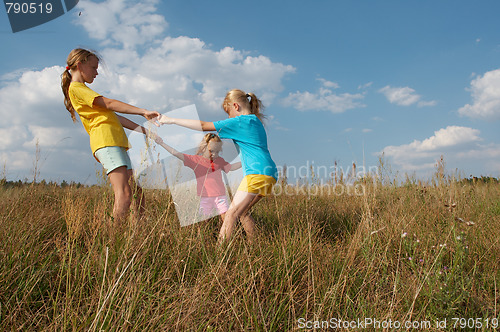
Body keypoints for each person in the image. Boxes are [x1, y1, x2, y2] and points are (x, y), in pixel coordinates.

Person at [158, 89, 277, 243]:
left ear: (236, 106)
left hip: (256, 173)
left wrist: (170, 120)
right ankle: (254, 246)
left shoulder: (240, 121)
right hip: (270, 173)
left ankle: (220, 254)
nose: (228, 118)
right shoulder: (255, 121)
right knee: (243, 212)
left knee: (231, 214)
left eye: (228, 112)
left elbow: (203, 125)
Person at [61, 48, 161, 229]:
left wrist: (144, 131)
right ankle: (111, 242)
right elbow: (110, 103)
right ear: (79, 65)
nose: (96, 72)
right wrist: (143, 111)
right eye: (93, 67)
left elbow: (115, 117)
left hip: (115, 142)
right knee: (124, 194)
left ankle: (136, 238)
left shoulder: (83, 90)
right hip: (106, 142)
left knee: (137, 194)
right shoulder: (77, 88)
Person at [154, 133, 241, 222]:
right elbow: (177, 154)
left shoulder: (219, 161)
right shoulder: (195, 160)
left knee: (226, 218)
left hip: (221, 196)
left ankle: (225, 235)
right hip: (205, 197)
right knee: (204, 221)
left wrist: (245, 162)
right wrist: (162, 143)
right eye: (212, 151)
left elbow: (232, 167)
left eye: (217, 151)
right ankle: (204, 235)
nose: (214, 154)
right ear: (204, 148)